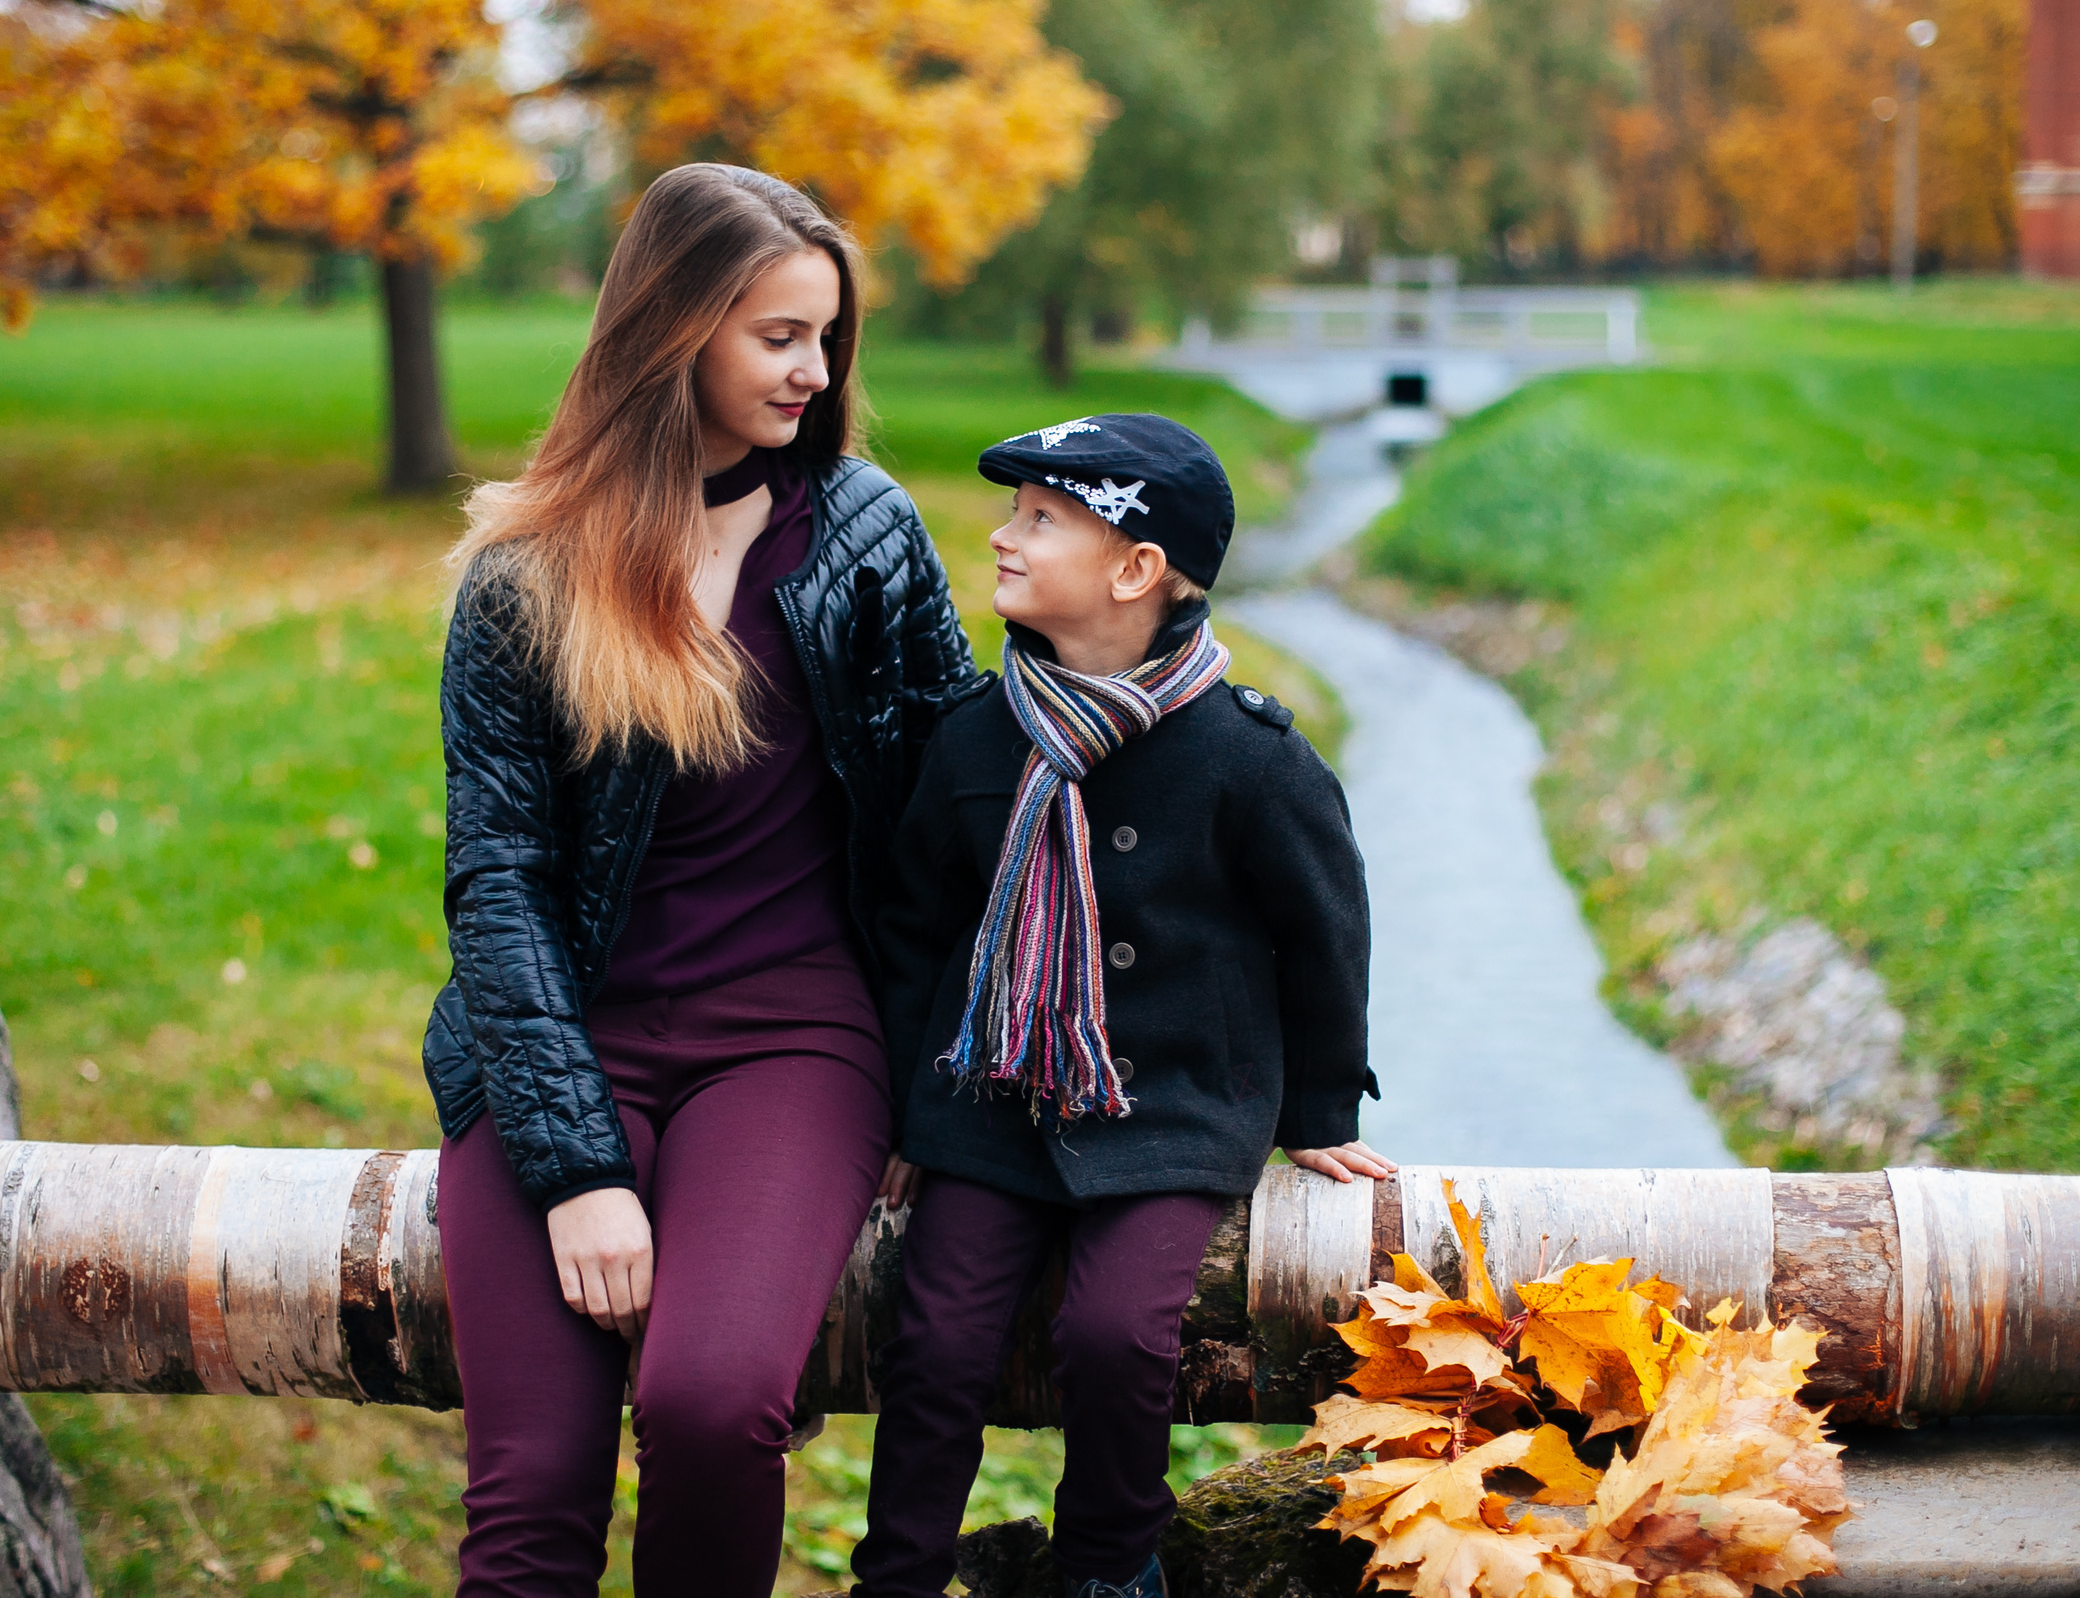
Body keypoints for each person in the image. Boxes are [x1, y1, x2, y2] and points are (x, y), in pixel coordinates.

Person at [422, 163, 973, 1596]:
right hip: (559, 1039)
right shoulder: (525, 573)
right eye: (778, 335)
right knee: (534, 1489)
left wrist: (942, 1077)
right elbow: (498, 877)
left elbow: (952, 816)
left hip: (794, 1038)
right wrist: (579, 1168)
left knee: (713, 1402)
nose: (816, 369)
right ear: (674, 330)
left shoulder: (864, 533)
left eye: (827, 337)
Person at [851, 414, 1394, 1598]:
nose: (1001, 535)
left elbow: (1325, 930)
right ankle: (895, 1575)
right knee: (936, 1343)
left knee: (1113, 1336)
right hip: (988, 1101)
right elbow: (912, 932)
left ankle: (1109, 1570)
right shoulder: (977, 738)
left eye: (1041, 520)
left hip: (1176, 1109)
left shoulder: (1246, 757)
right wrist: (900, 1119)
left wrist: (1314, 1108)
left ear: (1136, 570)